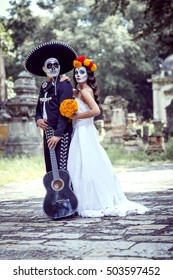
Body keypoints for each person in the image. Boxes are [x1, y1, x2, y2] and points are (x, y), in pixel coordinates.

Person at [67, 55, 149, 217]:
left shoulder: (85, 91)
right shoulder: (83, 90)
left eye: (81, 72)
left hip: (84, 130)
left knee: (85, 163)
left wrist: (75, 117)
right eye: (76, 72)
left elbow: (95, 111)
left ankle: (90, 201)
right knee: (83, 163)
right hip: (84, 130)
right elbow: (71, 92)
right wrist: (63, 81)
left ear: (88, 74)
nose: (78, 75)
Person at [24, 42, 77, 172]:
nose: (53, 68)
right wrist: (38, 120)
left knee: (62, 169)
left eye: (55, 65)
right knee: (50, 168)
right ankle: (53, 193)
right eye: (49, 65)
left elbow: (65, 113)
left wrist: (58, 135)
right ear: (44, 69)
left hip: (62, 133)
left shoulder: (64, 85)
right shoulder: (43, 88)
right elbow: (38, 109)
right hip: (47, 132)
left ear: (59, 67)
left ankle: (65, 193)